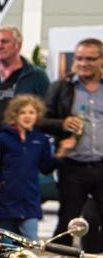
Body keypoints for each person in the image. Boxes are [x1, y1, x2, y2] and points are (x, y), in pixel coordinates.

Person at [39, 38, 103, 245]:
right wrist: (63, 123)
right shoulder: (61, 88)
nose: (84, 63)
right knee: (67, 223)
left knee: (98, 223)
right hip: (72, 167)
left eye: (90, 59)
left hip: (102, 166)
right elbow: (41, 121)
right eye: (79, 58)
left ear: (101, 60)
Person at [0, 95, 71, 242]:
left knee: (30, 244)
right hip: (7, 201)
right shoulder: (3, 138)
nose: (27, 116)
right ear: (14, 115)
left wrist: (60, 155)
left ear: (37, 115)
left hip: (29, 201)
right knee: (6, 246)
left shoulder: (41, 140)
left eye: (31, 112)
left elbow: (45, 167)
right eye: (23, 112)